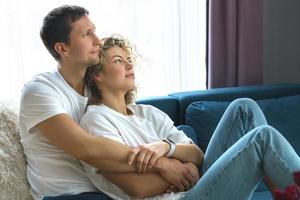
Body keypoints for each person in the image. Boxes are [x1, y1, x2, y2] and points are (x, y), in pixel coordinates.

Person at [80, 35, 300, 200]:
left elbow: (196, 156)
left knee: (244, 107)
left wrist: (166, 148)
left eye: (129, 59)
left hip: (198, 186)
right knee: (263, 137)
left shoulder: (148, 113)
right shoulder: (96, 121)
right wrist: (173, 168)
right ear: (96, 74)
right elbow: (138, 188)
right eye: (118, 61)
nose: (130, 65)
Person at [19, 5, 199, 200]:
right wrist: (164, 164)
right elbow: (86, 148)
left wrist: (169, 151)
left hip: (105, 190)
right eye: (87, 34)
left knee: (187, 133)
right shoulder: (40, 91)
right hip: (68, 194)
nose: (97, 40)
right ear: (63, 49)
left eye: (94, 31)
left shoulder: (94, 92)